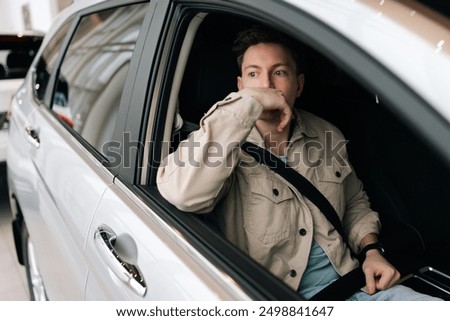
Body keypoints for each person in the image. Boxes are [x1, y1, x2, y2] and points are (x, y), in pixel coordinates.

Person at [157, 26, 441, 300]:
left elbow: (354, 202)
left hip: (355, 285)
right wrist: (245, 105)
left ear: (299, 84)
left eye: (279, 72)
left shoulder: (326, 134)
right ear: (240, 86)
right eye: (253, 74)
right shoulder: (217, 141)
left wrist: (371, 251)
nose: (266, 84)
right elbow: (185, 194)